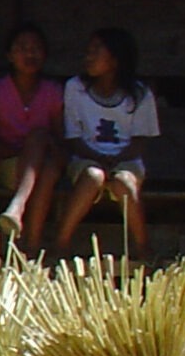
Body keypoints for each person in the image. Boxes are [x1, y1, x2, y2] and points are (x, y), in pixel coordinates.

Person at [51, 27, 158, 259]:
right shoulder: (75, 88)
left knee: (124, 182)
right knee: (93, 177)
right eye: (88, 51)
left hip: (126, 159)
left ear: (115, 60)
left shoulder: (140, 94)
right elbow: (73, 137)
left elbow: (140, 140)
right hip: (86, 157)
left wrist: (117, 160)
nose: (88, 57)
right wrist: (98, 158)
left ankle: (142, 245)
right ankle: (61, 241)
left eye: (96, 52)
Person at [0, 22, 64, 246]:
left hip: (47, 162)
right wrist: (26, 151)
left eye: (36, 48)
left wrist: (37, 146)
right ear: (9, 55)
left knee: (48, 161)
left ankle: (18, 208)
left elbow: (61, 141)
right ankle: (32, 247)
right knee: (44, 162)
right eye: (22, 47)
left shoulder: (53, 92)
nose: (30, 53)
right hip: (9, 164)